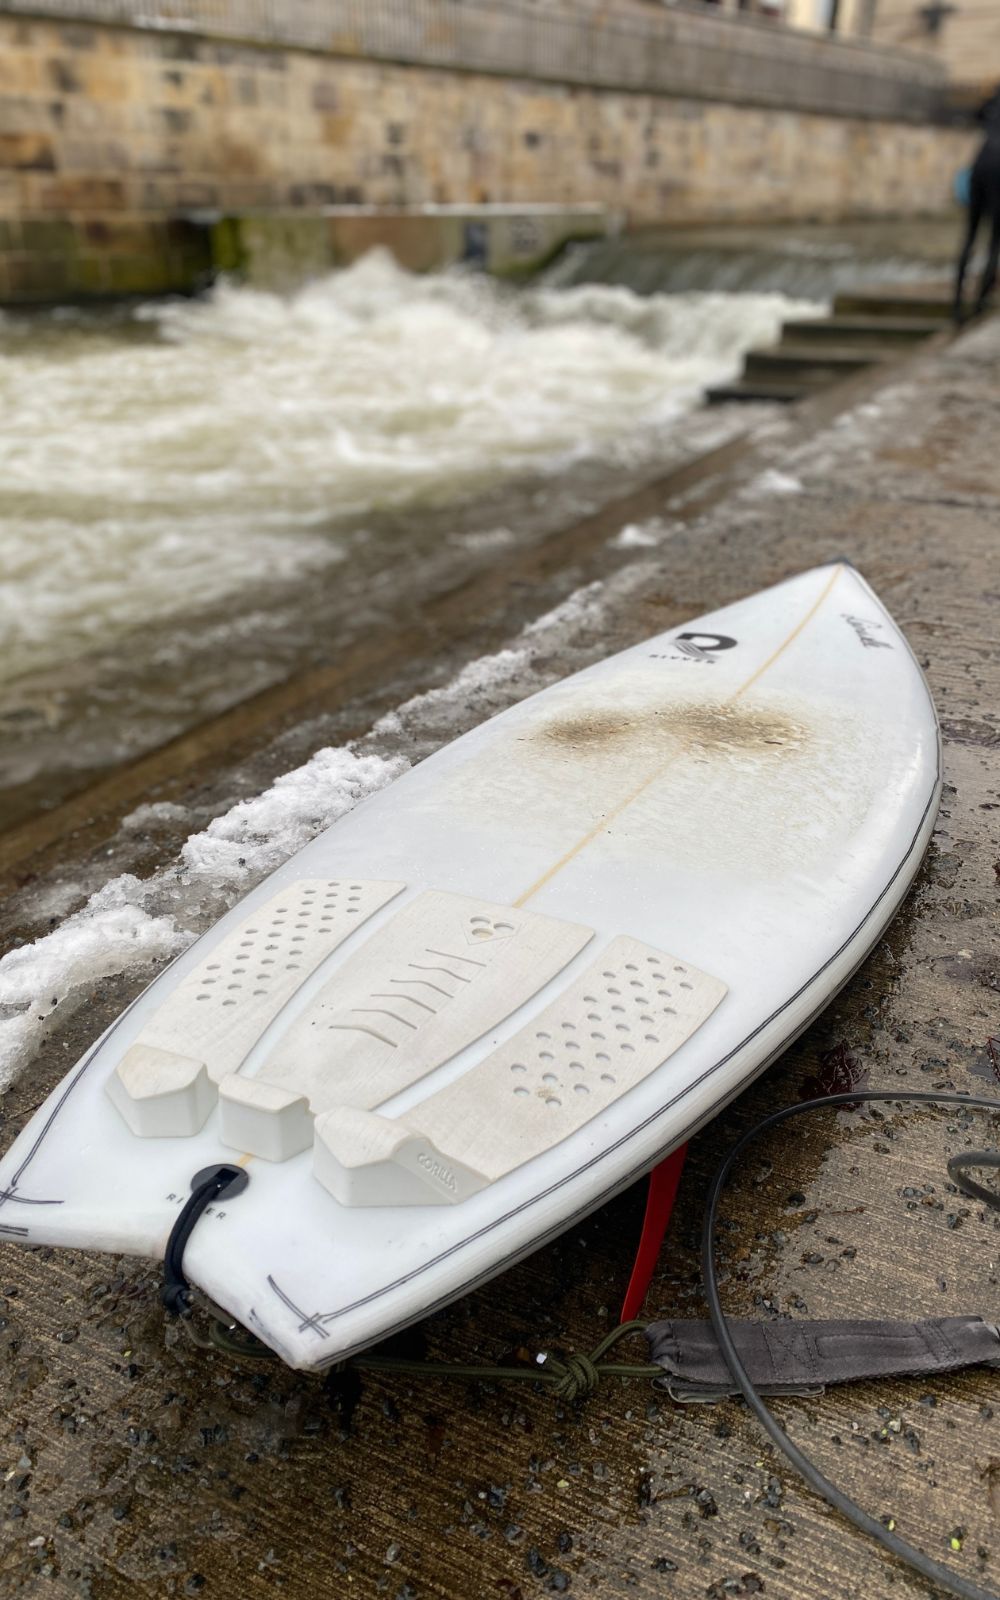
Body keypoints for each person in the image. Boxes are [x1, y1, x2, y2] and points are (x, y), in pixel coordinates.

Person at [954, 88, 1000, 323]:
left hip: (980, 165)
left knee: (970, 236)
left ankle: (957, 306)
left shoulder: (992, 98)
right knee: (994, 241)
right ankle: (980, 304)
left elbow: (977, 117)